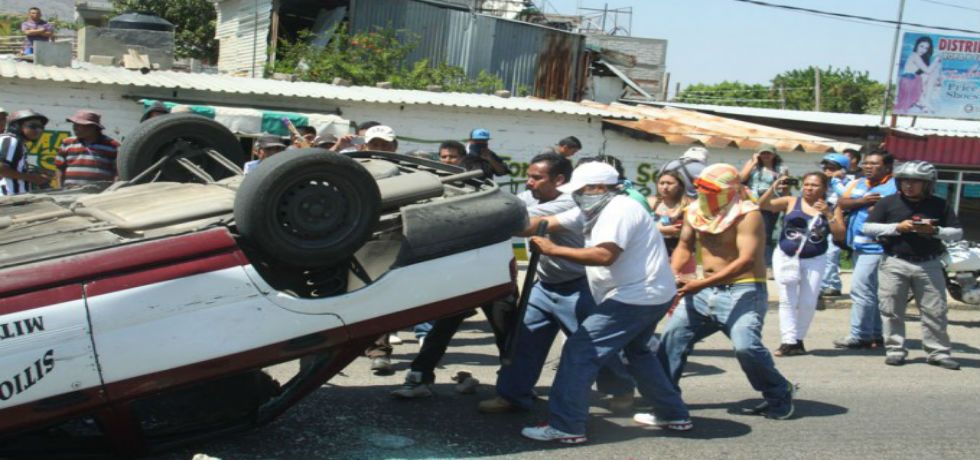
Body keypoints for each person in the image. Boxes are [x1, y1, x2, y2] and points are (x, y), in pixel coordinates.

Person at [518, 161, 691, 444]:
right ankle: (673, 414)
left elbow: (604, 255)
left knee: (579, 350)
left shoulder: (619, 210)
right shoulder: (593, 209)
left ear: (598, 188)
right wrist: (507, 226)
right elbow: (544, 223)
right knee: (638, 352)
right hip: (649, 294)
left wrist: (553, 248)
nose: (574, 195)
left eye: (579, 190)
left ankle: (567, 426)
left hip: (637, 296)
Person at [475, 153, 634, 413]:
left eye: (536, 178)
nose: (529, 183)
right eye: (528, 176)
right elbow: (511, 206)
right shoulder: (531, 197)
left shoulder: (569, 203)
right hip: (545, 285)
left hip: (578, 286)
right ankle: (512, 395)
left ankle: (620, 388)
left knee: (591, 344)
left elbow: (518, 218)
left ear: (559, 180)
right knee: (523, 339)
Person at [658, 163, 796, 420]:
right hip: (703, 290)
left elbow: (745, 260)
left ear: (730, 190)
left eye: (711, 189)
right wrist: (673, 274)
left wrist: (700, 284)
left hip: (743, 289)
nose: (704, 193)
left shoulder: (747, 213)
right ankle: (666, 401)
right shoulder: (695, 210)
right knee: (672, 340)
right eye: (701, 187)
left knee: (746, 347)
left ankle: (779, 392)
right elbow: (685, 246)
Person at [863, 161, 962, 370]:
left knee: (935, 311)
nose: (909, 185)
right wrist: (897, 227)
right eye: (905, 181)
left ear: (928, 184)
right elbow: (868, 227)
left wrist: (935, 231)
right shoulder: (887, 203)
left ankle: (938, 352)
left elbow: (957, 232)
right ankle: (895, 350)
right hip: (894, 262)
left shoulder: (940, 204)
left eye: (916, 181)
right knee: (891, 309)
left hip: (929, 264)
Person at [759, 172, 834, 356]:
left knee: (808, 301)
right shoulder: (791, 201)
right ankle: (788, 341)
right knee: (787, 299)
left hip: (815, 258)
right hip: (786, 256)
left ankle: (799, 340)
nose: (809, 188)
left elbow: (840, 233)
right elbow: (763, 205)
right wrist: (774, 187)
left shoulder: (831, 207)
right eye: (806, 184)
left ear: (824, 188)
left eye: (815, 185)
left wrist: (828, 214)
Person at [833, 150, 898, 349]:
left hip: (877, 247)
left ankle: (859, 335)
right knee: (872, 293)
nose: (868, 167)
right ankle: (876, 334)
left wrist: (858, 204)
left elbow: (879, 210)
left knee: (861, 291)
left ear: (887, 167)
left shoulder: (893, 186)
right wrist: (861, 202)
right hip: (858, 246)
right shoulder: (859, 183)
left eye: (874, 164)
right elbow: (842, 201)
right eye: (866, 163)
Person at [739, 144, 785, 267]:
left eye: (768, 153)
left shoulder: (780, 169)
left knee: (766, 234)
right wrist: (753, 162)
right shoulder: (753, 166)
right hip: (751, 202)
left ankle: (767, 264)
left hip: (770, 204)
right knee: (750, 233)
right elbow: (741, 178)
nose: (765, 156)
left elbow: (785, 188)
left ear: (774, 155)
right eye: (763, 153)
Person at [646, 169, 694, 276]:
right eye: (661, 183)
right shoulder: (651, 202)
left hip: (682, 253)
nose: (665, 187)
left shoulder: (689, 204)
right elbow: (639, 227)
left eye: (669, 183)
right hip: (655, 252)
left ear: (680, 185)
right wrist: (658, 229)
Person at [55, 110, 120, 188]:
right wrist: (60, 187)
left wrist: (112, 190)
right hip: (70, 191)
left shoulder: (113, 145)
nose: (74, 127)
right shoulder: (67, 143)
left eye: (79, 125)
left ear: (93, 127)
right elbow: (59, 168)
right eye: (74, 124)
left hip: (98, 193)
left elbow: (118, 171)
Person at [1, 109, 54, 196]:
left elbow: (13, 168)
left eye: (41, 127)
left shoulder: (17, 142)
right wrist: (32, 178)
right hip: (7, 198)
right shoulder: (11, 140)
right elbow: (2, 169)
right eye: (33, 126)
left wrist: (37, 171)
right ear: (16, 126)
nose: (38, 130)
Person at [819, 154, 850, 297]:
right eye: (826, 167)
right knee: (821, 252)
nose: (827, 171)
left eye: (832, 168)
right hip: (821, 218)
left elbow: (845, 196)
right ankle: (821, 283)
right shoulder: (821, 182)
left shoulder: (849, 182)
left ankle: (832, 284)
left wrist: (837, 180)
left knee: (832, 252)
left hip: (839, 218)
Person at [896, 36, 943, 113]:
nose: (923, 50)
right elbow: (928, 71)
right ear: (916, 45)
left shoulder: (918, 56)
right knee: (933, 72)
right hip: (909, 82)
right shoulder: (914, 55)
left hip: (911, 81)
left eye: (926, 48)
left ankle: (924, 103)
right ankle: (926, 102)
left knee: (933, 73)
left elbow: (922, 72)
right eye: (921, 46)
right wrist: (936, 60)